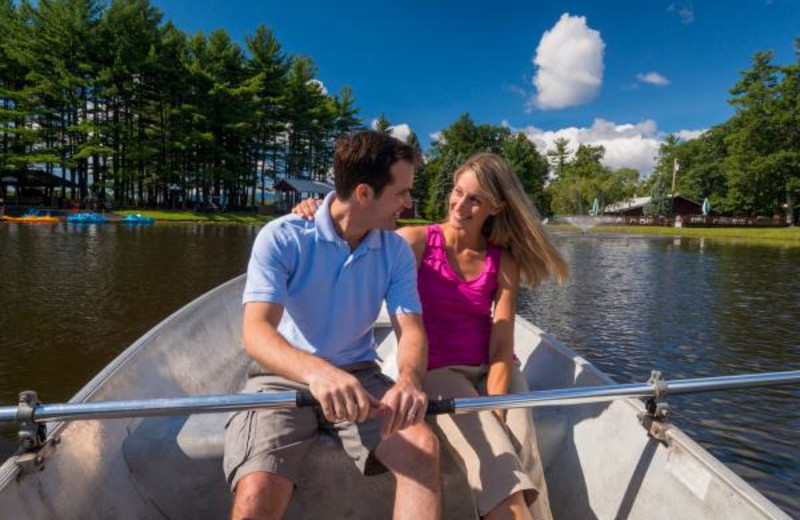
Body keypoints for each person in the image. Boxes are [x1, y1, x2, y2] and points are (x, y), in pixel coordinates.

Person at [294, 152, 567, 520]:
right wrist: (317, 210)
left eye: (475, 199)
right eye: (457, 192)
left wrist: (496, 404)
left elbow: (502, 345)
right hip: (438, 368)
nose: (460, 204)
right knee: (496, 456)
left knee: (524, 449)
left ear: (496, 206)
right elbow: (355, 235)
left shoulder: (503, 261)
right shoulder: (416, 241)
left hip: (494, 367)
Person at [225, 130, 442, 520]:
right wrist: (318, 372)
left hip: (361, 376)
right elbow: (256, 332)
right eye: (402, 193)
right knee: (256, 491)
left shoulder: (395, 251)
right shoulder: (281, 237)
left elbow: (410, 330)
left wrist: (409, 381)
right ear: (364, 194)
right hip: (282, 377)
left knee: (423, 450)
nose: (409, 204)